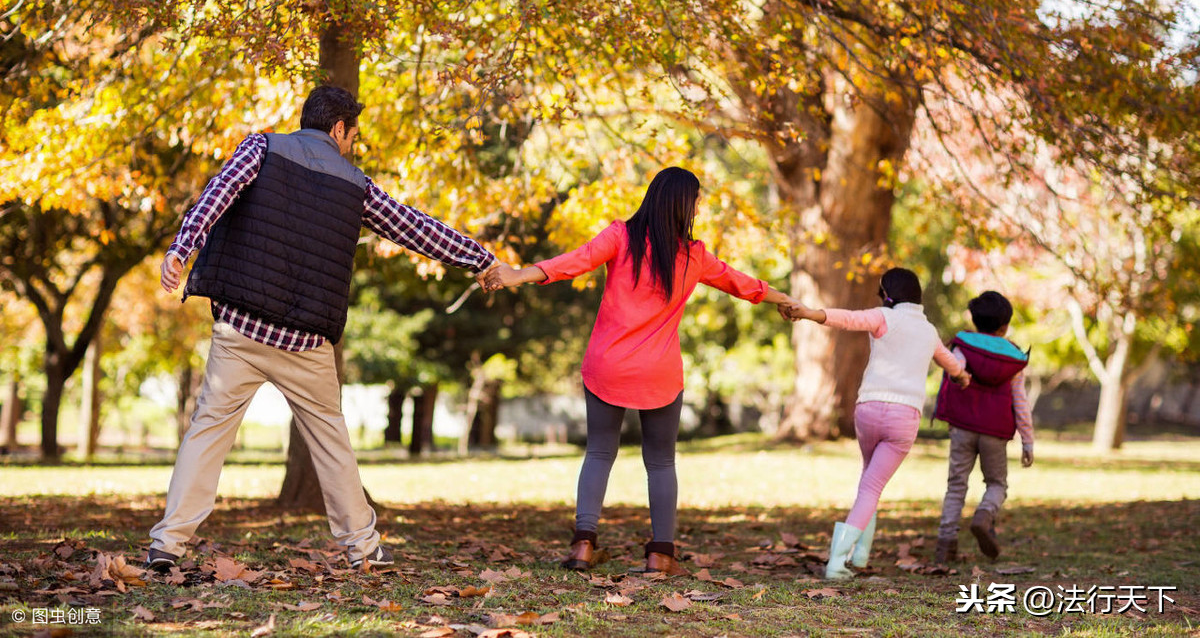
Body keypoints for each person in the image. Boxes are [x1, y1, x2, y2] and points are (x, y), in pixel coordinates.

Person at [146, 85, 496, 573]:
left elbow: (215, 195)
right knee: (331, 443)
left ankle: (168, 544)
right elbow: (415, 227)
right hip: (305, 343)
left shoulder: (261, 148)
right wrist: (480, 259)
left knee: (207, 431)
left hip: (241, 330)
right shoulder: (358, 185)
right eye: (354, 135)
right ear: (339, 129)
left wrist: (181, 250)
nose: (353, 145)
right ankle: (363, 548)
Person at [479, 167, 801, 576]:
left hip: (606, 365)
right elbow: (742, 284)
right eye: (697, 199)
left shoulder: (620, 236)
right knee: (662, 462)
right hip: (659, 373)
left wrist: (518, 274)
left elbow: (572, 263)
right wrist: (785, 299)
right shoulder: (694, 255)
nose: (699, 206)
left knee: (599, 452)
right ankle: (660, 556)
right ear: (683, 203)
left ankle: (582, 547)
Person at [780, 268, 970, 580]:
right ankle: (837, 563)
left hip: (868, 410)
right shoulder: (929, 332)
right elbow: (952, 365)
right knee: (872, 486)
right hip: (902, 418)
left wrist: (811, 313)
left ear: (887, 294)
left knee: (868, 483)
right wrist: (963, 377)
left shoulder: (884, 318)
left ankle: (859, 555)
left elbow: (848, 318)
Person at [932, 290, 1034, 564]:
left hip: (963, 427)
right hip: (995, 432)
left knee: (956, 485)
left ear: (975, 320)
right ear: (1005, 326)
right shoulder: (1012, 357)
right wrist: (1028, 440)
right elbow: (1020, 401)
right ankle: (984, 515)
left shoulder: (963, 345)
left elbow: (957, 368)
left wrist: (959, 376)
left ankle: (946, 545)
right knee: (997, 483)